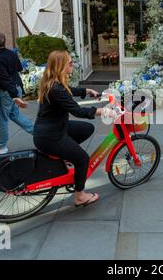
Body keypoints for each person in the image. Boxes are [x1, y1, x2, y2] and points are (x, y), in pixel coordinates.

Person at [33, 50, 114, 207]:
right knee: (83, 159)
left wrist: (86, 91)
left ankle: (64, 155)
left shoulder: (53, 83)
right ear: (61, 66)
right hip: (50, 136)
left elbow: (67, 91)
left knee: (86, 129)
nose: (73, 65)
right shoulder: (56, 88)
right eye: (70, 63)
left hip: (54, 129)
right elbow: (77, 111)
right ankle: (80, 196)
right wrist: (102, 111)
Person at [0, 32, 34, 159]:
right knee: (14, 115)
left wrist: (14, 96)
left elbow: (5, 80)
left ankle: (0, 147)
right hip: (15, 88)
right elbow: (19, 68)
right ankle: (40, 133)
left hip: (6, 93)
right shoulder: (11, 53)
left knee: (1, 119)